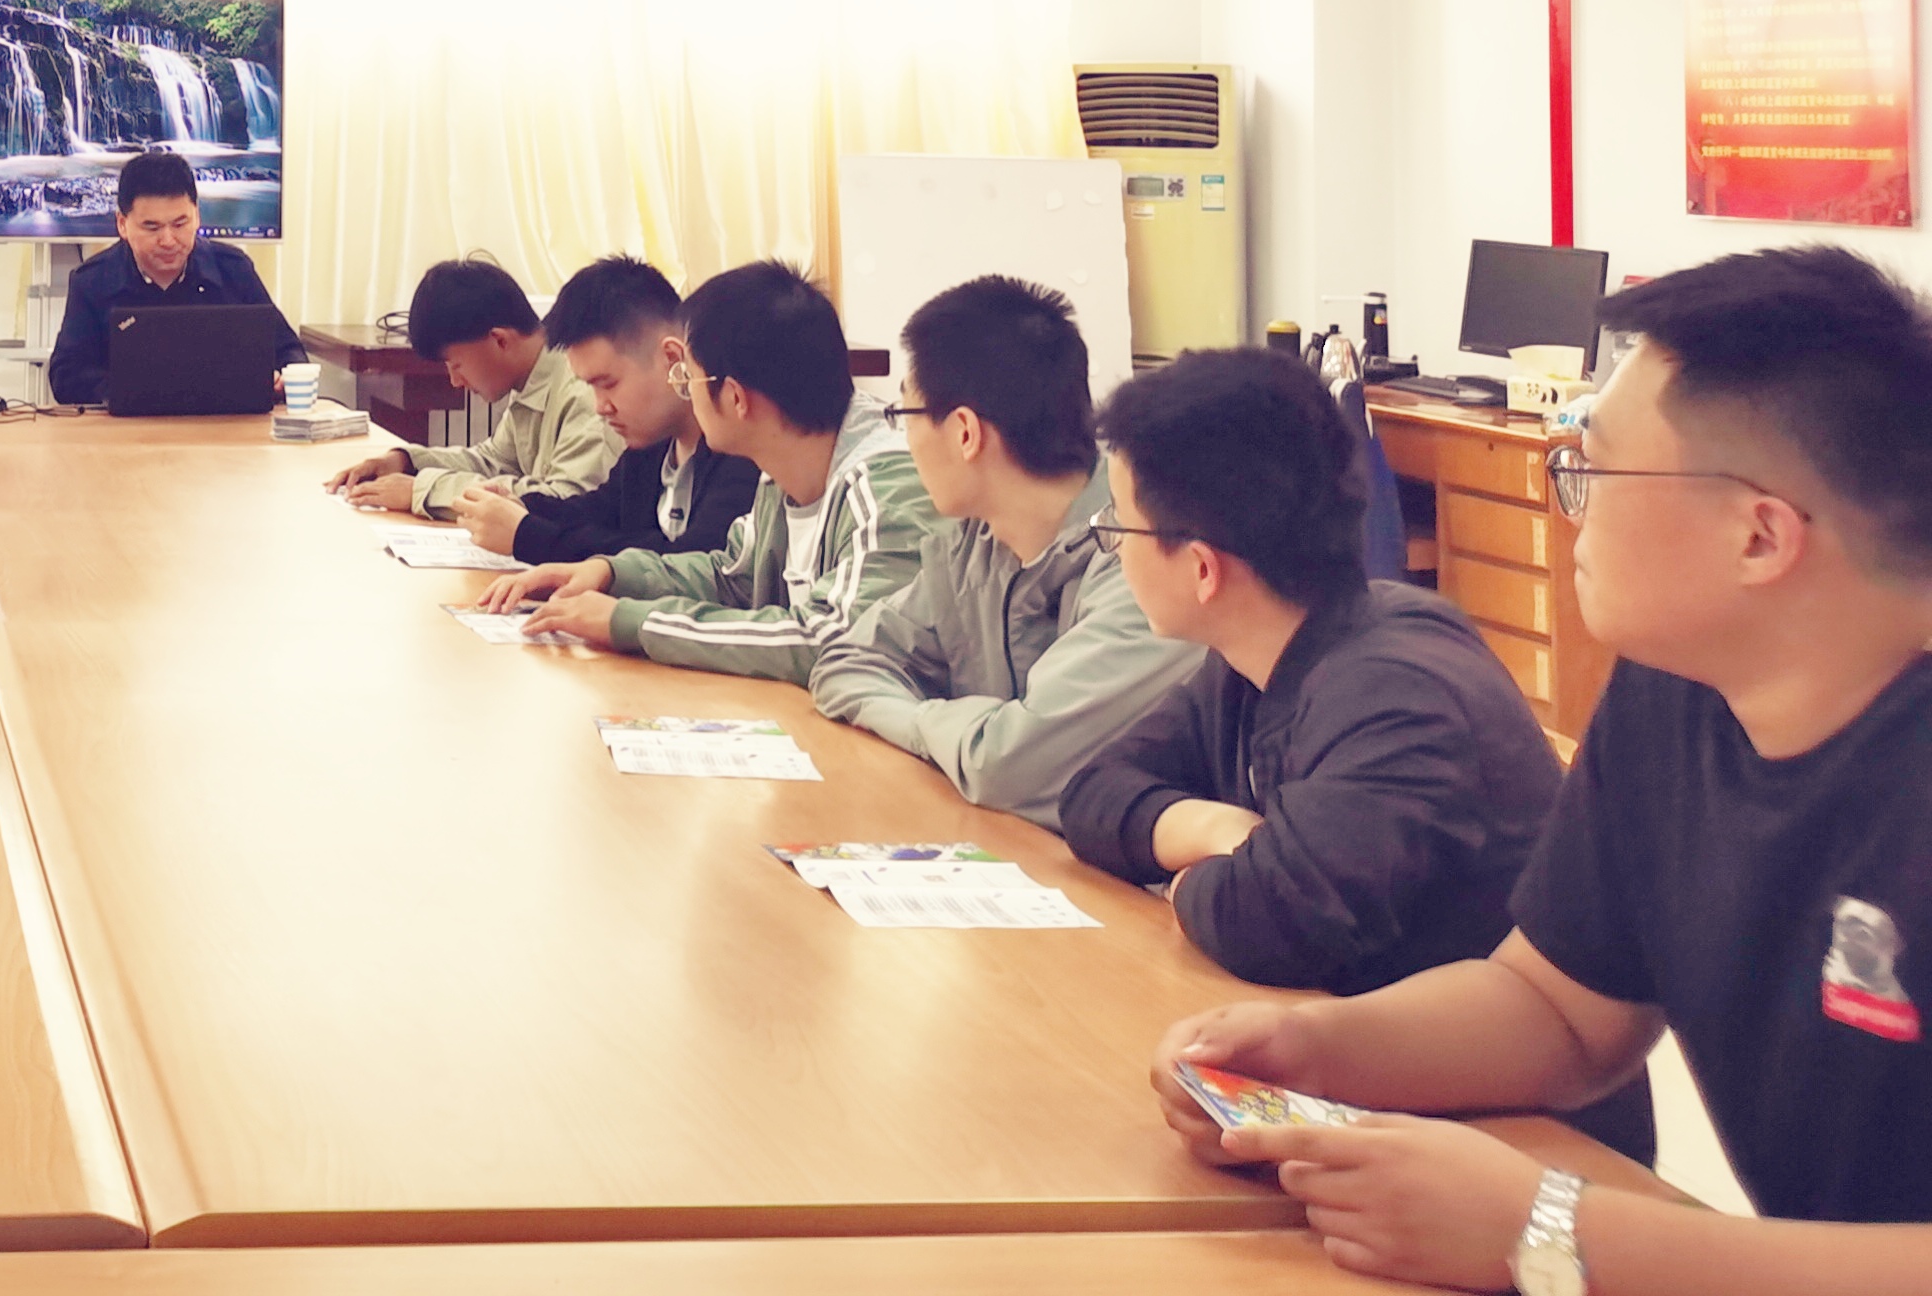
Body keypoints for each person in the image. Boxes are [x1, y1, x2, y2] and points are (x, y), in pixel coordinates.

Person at [1152, 245, 1932, 1290]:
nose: (1566, 496)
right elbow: (1559, 1010)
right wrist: (1315, 1048)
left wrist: (1556, 1233)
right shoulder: (1680, 693)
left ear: (1759, 537)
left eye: (1591, 467)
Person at [1063, 347, 1584, 997]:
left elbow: (1271, 921)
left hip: (1479, 1060)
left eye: (1120, 527)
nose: (1113, 550)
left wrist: (1192, 880)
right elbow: (1091, 796)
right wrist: (1218, 830)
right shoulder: (1256, 655)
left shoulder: (1396, 696)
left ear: (1202, 569)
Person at [806, 273, 1195, 827]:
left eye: (904, 416)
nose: (903, 441)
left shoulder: (1140, 559)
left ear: (965, 432)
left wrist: (927, 724)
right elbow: (847, 660)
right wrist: (959, 732)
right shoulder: (976, 548)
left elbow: (1004, 765)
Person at [491, 259, 927, 676]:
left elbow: (834, 639)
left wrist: (633, 622)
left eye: (688, 378)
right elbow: (731, 576)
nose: (683, 391)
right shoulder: (781, 471)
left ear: (735, 398)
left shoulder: (883, 483)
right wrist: (611, 573)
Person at [448, 256, 759, 566]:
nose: (600, 407)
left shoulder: (738, 446)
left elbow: (690, 562)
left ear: (671, 358)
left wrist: (529, 536)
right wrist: (522, 507)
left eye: (608, 384)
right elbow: (598, 511)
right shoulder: (651, 446)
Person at [326, 258, 617, 520]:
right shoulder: (532, 378)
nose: (455, 381)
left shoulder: (584, 389)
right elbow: (494, 461)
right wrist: (406, 462)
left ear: (499, 340)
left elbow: (565, 499)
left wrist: (423, 490)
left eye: (456, 364)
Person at [47, 152, 297, 407]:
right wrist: (130, 391)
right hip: (129, 426)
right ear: (122, 224)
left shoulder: (233, 270)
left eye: (180, 224)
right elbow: (66, 376)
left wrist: (283, 379)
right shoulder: (92, 281)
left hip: (221, 424)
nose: (168, 240)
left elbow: (289, 351)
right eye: (152, 227)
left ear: (197, 216)